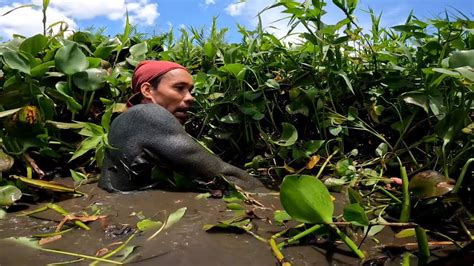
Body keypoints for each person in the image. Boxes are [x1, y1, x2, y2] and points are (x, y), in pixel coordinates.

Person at [99, 60, 260, 192]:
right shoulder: (147, 115)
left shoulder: (126, 119)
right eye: (179, 88)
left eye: (191, 91)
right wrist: (269, 195)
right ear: (147, 90)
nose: (190, 98)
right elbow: (220, 173)